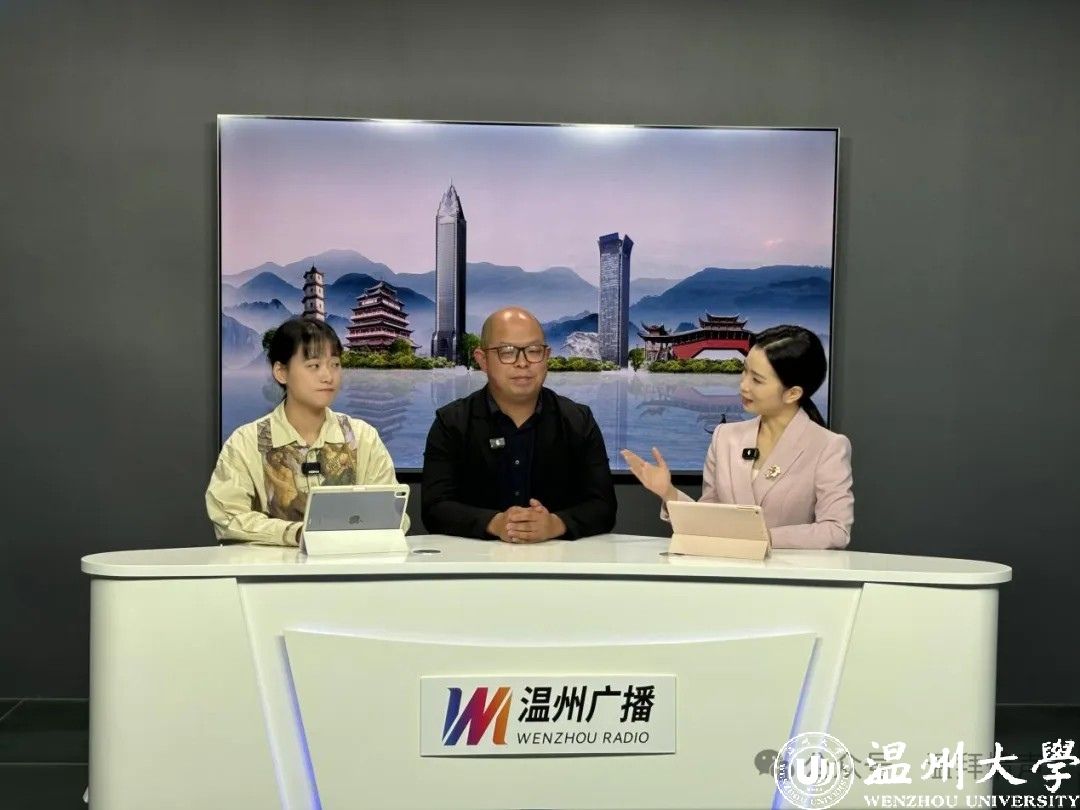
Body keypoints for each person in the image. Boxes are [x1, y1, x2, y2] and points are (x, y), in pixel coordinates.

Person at [622, 325, 852, 549]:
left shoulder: (828, 447)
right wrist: (668, 492)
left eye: (757, 380)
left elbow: (835, 530)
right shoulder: (725, 438)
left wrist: (761, 538)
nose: (743, 385)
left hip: (786, 572)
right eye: (744, 371)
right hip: (725, 569)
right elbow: (709, 520)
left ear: (792, 393)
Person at [421, 307, 617, 543]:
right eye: (507, 352)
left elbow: (604, 507)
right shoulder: (452, 423)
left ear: (546, 357)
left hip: (558, 558)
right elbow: (434, 508)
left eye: (533, 351)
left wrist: (556, 524)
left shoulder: (578, 420)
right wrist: (495, 523)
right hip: (476, 560)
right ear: (482, 360)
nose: (522, 363)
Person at [206, 317, 406, 546]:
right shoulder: (246, 442)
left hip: (350, 563)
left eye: (335, 364)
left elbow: (395, 515)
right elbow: (227, 518)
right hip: (270, 567)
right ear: (281, 372)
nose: (328, 376)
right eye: (314, 366)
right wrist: (297, 533)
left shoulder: (362, 437)